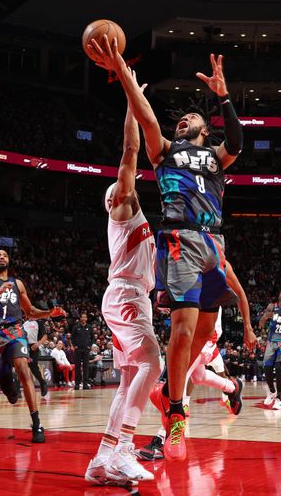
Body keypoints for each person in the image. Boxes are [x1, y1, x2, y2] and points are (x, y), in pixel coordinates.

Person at [90, 35, 243, 461]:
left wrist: (223, 96)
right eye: (182, 118)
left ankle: (167, 394)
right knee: (182, 329)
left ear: (204, 128)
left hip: (214, 242)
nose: (183, 120)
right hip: (181, 240)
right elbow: (145, 120)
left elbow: (238, 141)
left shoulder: (216, 156)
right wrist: (122, 72)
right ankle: (176, 411)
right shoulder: (166, 152)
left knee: (203, 334)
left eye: (191, 117)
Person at [86, 84, 162, 486]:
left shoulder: (134, 218)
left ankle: (101, 458)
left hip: (134, 298)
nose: (125, 188)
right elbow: (130, 153)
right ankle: (124, 449)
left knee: (131, 380)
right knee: (154, 362)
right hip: (126, 296)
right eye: (119, 188)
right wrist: (133, 101)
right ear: (113, 200)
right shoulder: (122, 210)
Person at [137, 260, 253, 462]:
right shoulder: (181, 257)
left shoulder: (219, 261)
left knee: (178, 378)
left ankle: (160, 438)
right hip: (188, 329)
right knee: (197, 375)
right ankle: (231, 386)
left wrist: (248, 328)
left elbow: (241, 294)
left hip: (205, 332)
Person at [0, 249, 64, 444]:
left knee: (23, 369)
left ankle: (36, 423)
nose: (1, 257)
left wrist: (49, 313)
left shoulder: (17, 284)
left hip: (14, 332)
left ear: (9, 261)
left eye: (4, 255)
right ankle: (10, 389)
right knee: (9, 392)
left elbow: (30, 311)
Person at [72, 313, 93, 390]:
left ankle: (85, 384)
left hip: (86, 350)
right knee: (77, 367)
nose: (83, 319)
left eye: (85, 317)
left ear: (86, 319)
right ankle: (77, 384)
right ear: (80, 318)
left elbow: (92, 338)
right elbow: (72, 338)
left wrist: (89, 346)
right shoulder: (76, 327)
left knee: (85, 367)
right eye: (82, 317)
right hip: (78, 350)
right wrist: (74, 346)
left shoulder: (90, 327)